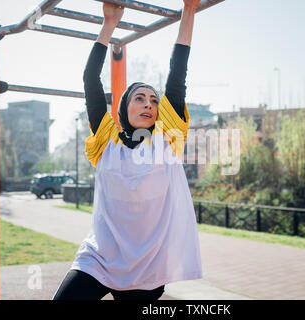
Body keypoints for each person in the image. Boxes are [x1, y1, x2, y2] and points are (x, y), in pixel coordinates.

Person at [53, 0, 203, 301]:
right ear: (125, 107)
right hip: (100, 257)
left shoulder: (167, 140)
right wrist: (108, 25)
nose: (148, 103)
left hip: (147, 265)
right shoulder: (107, 139)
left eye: (153, 99)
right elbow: (90, 81)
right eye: (139, 98)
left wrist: (189, 9)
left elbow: (178, 73)